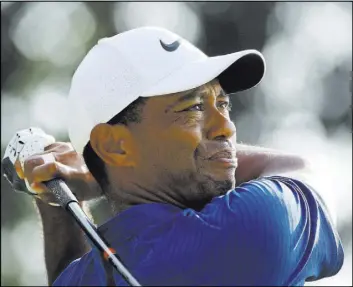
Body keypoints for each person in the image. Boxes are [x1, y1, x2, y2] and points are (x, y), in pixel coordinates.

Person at [17, 27, 343, 286]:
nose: (226, 127)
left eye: (222, 104)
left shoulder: (83, 278)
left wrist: (59, 200)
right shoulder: (251, 225)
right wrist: (94, 177)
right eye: (194, 108)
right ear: (115, 145)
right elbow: (300, 168)